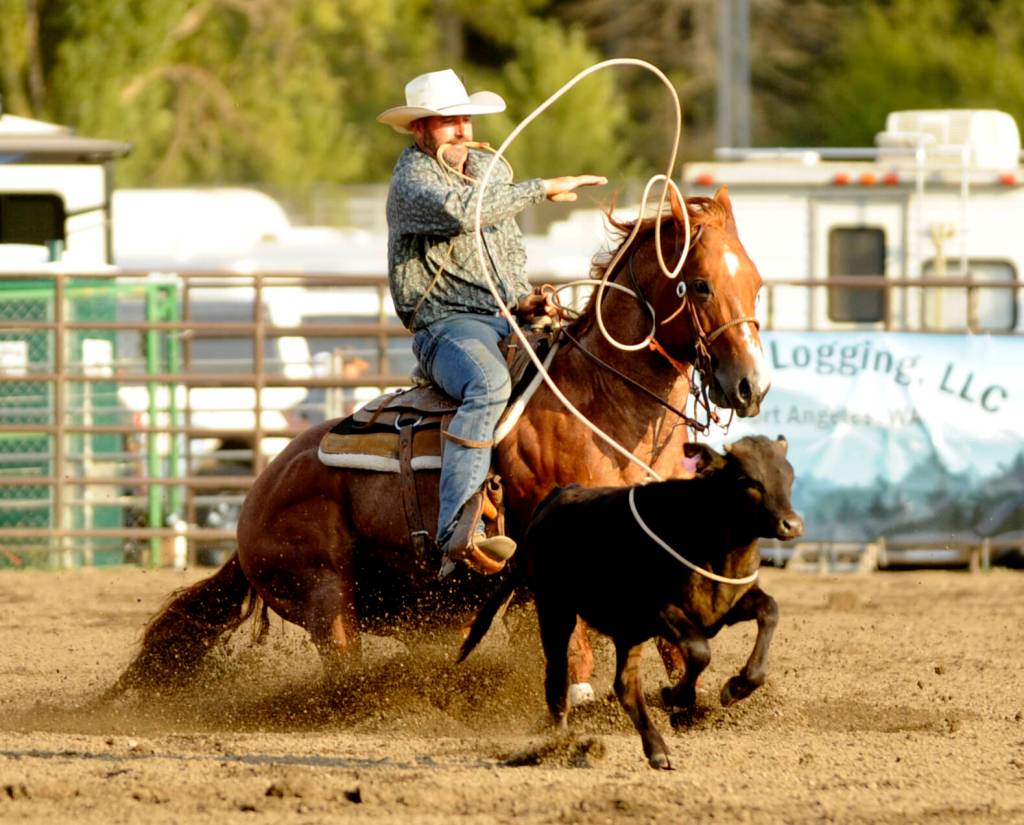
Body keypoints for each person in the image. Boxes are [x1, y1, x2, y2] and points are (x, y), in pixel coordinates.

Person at [378, 68, 606, 578]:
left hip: (504, 321)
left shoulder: (487, 174)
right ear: (420, 131)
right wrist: (542, 188)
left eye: (463, 119)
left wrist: (526, 301)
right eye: (446, 122)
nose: (460, 130)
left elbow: (503, 254)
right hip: (446, 326)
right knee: (487, 385)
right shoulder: (412, 182)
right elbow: (464, 213)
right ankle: (457, 529)